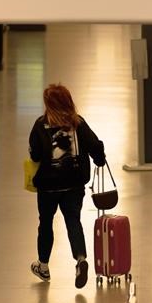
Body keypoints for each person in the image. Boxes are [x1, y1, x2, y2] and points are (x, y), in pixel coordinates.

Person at [28, 84, 106, 289]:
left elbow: (35, 154)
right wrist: (99, 160)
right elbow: (95, 145)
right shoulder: (78, 123)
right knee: (73, 221)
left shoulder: (40, 124)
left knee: (45, 223)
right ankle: (80, 260)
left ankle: (43, 266)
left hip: (48, 186)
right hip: (74, 184)